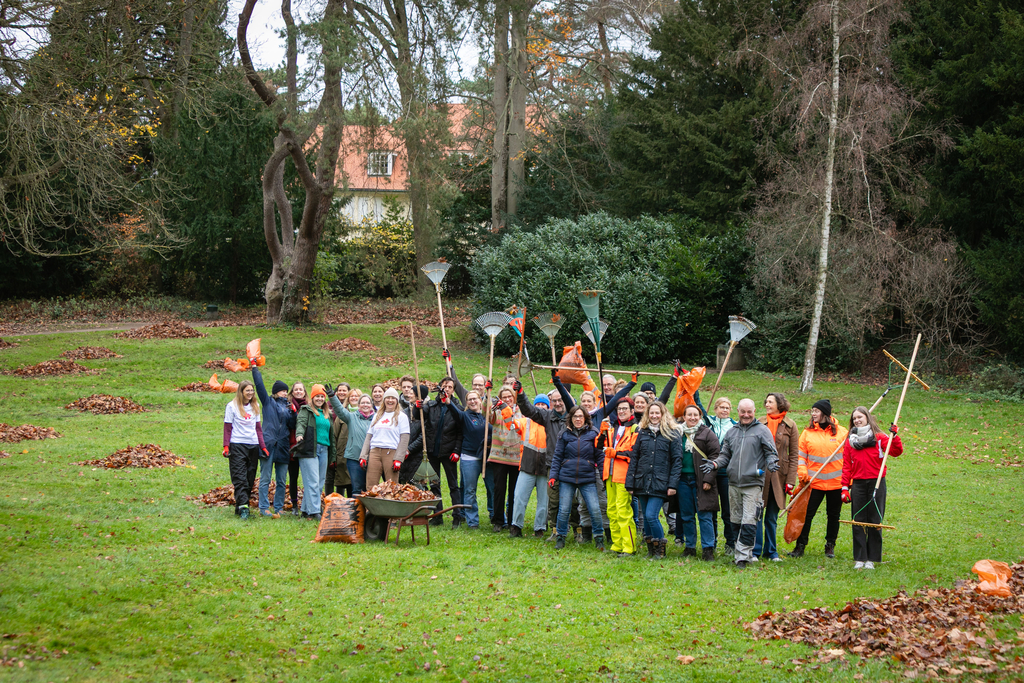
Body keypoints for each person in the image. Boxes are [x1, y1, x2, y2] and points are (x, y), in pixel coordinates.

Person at [702, 398, 780, 568]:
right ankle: (741, 553)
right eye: (743, 412)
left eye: (749, 412)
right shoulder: (732, 432)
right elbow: (725, 455)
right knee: (735, 521)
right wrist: (715, 464)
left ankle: (743, 558)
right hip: (733, 484)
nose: (746, 415)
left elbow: (770, 452)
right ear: (738, 411)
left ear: (754, 411)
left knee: (749, 521)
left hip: (753, 483)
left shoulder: (762, 431)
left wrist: (772, 462)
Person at [842, 406, 902, 569]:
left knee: (875, 520)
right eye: (854, 418)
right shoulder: (850, 441)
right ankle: (860, 558)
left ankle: (873, 559)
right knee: (858, 520)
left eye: (860, 417)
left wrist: (895, 436)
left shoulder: (880, 438)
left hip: (877, 482)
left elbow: (896, 451)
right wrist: (845, 487)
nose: (857, 420)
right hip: (858, 484)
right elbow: (846, 465)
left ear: (867, 418)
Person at [790, 399, 849, 559]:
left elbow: (849, 458)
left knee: (834, 516)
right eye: (813, 411)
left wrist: (847, 482)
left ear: (825, 413)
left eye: (816, 411)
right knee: (807, 515)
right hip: (813, 483)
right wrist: (803, 472)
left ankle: (830, 545)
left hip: (836, 484)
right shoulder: (807, 433)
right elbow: (801, 456)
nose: (813, 414)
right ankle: (800, 546)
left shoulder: (842, 433)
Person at [625, 401, 683, 560]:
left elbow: (677, 461)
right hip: (642, 480)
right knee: (646, 516)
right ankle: (651, 550)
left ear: (663, 414)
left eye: (657, 413)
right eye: (651, 413)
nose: (654, 415)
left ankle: (660, 550)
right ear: (647, 415)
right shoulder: (642, 432)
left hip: (660, 482)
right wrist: (630, 482)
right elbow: (635, 458)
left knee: (651, 515)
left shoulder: (672, 433)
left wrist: (673, 484)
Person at [512, 377, 568, 538]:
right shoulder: (544, 416)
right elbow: (528, 409)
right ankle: (516, 526)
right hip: (528, 465)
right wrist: (520, 393)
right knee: (520, 497)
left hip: (546, 467)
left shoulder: (565, 419)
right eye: (554, 401)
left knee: (544, 501)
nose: (557, 403)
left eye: (559, 400)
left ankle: (540, 528)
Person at [549, 406, 605, 551]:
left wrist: (603, 475)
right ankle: (560, 537)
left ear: (585, 418)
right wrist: (553, 475)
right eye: (575, 416)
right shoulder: (564, 434)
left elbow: (600, 456)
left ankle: (599, 538)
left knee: (595, 509)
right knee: (564, 509)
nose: (578, 419)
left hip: (587, 477)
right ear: (571, 418)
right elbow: (557, 456)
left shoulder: (594, 433)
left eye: (580, 416)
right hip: (567, 477)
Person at [754, 393, 799, 561]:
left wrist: (791, 481)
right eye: (766, 401)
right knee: (757, 514)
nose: (767, 404)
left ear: (779, 404)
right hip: (760, 476)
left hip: (779, 478)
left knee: (771, 517)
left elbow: (794, 455)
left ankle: (771, 551)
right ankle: (755, 551)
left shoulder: (790, 425)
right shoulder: (758, 423)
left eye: (770, 402)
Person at [675, 404, 721, 560]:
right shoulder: (678, 433)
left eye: (695, 415)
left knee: (704, 514)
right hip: (682, 480)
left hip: (701, 480)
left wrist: (709, 479)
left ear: (700, 416)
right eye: (689, 415)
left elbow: (715, 456)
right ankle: (690, 546)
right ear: (684, 417)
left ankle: (708, 548)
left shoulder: (707, 433)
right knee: (686, 515)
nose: (692, 418)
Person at [250, 366, 296, 517]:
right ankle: (264, 507)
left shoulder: (288, 407)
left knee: (281, 480)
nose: (285, 393)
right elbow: (259, 386)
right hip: (268, 444)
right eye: (282, 390)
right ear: (276, 392)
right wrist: (255, 369)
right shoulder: (268, 402)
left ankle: (278, 507)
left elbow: (292, 425)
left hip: (283, 446)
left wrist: (294, 413)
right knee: (265, 478)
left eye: (286, 391)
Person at [597, 398, 639, 556]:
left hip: (624, 476)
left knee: (623, 511)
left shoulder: (635, 429)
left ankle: (629, 546)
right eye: (619, 409)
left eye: (624, 409)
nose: (621, 411)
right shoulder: (612, 428)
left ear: (631, 411)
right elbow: (599, 446)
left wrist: (616, 454)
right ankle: (617, 544)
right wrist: (602, 432)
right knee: (612, 511)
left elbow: (634, 453)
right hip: (609, 475)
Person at [422, 376, 465, 527]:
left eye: (450, 387)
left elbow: (460, 432)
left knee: (453, 485)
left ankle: (457, 516)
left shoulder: (458, 408)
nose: (446, 389)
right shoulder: (431, 406)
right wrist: (418, 406)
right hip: (433, 450)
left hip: (449, 452)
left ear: (453, 391)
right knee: (434, 484)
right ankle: (437, 515)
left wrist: (457, 450)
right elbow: (419, 417)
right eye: (444, 386)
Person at [223, 380, 268, 519]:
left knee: (250, 477)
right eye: (247, 390)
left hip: (253, 445)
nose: (250, 393)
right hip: (237, 444)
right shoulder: (232, 406)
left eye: (252, 390)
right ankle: (244, 508)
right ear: (241, 391)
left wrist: (263, 446)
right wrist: (226, 446)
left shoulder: (255, 406)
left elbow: (258, 429)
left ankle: (241, 506)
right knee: (239, 477)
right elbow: (227, 428)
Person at [445, 389, 488, 529]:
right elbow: (455, 412)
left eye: (475, 398)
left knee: (492, 488)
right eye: (470, 399)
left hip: (487, 457)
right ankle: (472, 521)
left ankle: (496, 517)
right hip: (470, 457)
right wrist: (448, 402)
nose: (472, 401)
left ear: (480, 400)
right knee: (470, 490)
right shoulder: (464, 416)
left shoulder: (488, 415)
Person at [485, 387, 522, 533]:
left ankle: (513, 520)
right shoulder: (496, 411)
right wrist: (487, 395)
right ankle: (498, 520)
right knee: (499, 490)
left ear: (514, 397)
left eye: (509, 396)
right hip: (499, 456)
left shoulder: (520, 411)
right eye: (504, 397)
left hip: (516, 458)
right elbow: (486, 414)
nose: (507, 399)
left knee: (514, 491)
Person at [293, 384, 332, 520]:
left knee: (319, 482)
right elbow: (301, 423)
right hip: (310, 448)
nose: (320, 399)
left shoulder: (327, 414)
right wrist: (299, 435)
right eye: (317, 396)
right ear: (312, 397)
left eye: (322, 396)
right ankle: (315, 511)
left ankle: (305, 510)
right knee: (313, 481)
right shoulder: (306, 410)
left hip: (324, 449)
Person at [359, 387, 411, 488]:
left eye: (393, 398)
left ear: (397, 401)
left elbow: (404, 439)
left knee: (391, 486)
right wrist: (363, 456)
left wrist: (398, 459)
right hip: (375, 452)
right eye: (388, 398)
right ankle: (371, 499)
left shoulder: (401, 416)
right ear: (384, 400)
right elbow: (369, 437)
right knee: (371, 485)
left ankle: (391, 499)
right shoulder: (377, 415)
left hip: (391, 452)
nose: (390, 400)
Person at [707, 397, 738, 554]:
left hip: (726, 473)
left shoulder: (735, 426)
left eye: (727, 408)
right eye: (721, 407)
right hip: (710, 472)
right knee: (711, 508)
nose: (724, 410)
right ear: (716, 409)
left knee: (728, 510)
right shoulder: (708, 422)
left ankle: (730, 543)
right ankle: (711, 541)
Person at [328, 391, 375, 495]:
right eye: (363, 403)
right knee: (357, 488)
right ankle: (357, 506)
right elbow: (340, 410)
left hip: (372, 458)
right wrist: (332, 397)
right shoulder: (351, 417)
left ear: (371, 405)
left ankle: (368, 506)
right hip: (354, 458)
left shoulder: (377, 419)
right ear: (359, 405)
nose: (365, 405)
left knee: (370, 489)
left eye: (368, 403)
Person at [324, 382, 351, 496]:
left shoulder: (350, 408)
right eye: (339, 390)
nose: (342, 392)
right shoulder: (328, 406)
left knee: (342, 473)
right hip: (329, 440)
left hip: (343, 442)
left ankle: (340, 499)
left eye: (344, 390)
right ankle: (329, 499)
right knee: (330, 474)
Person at [286, 382, 307, 515]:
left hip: (305, 448)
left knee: (307, 478)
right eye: (296, 389)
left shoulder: (309, 406)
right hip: (292, 446)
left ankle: (306, 504)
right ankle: (294, 504)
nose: (299, 391)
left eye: (301, 389)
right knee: (293, 477)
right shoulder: (288, 406)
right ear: (292, 392)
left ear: (304, 392)